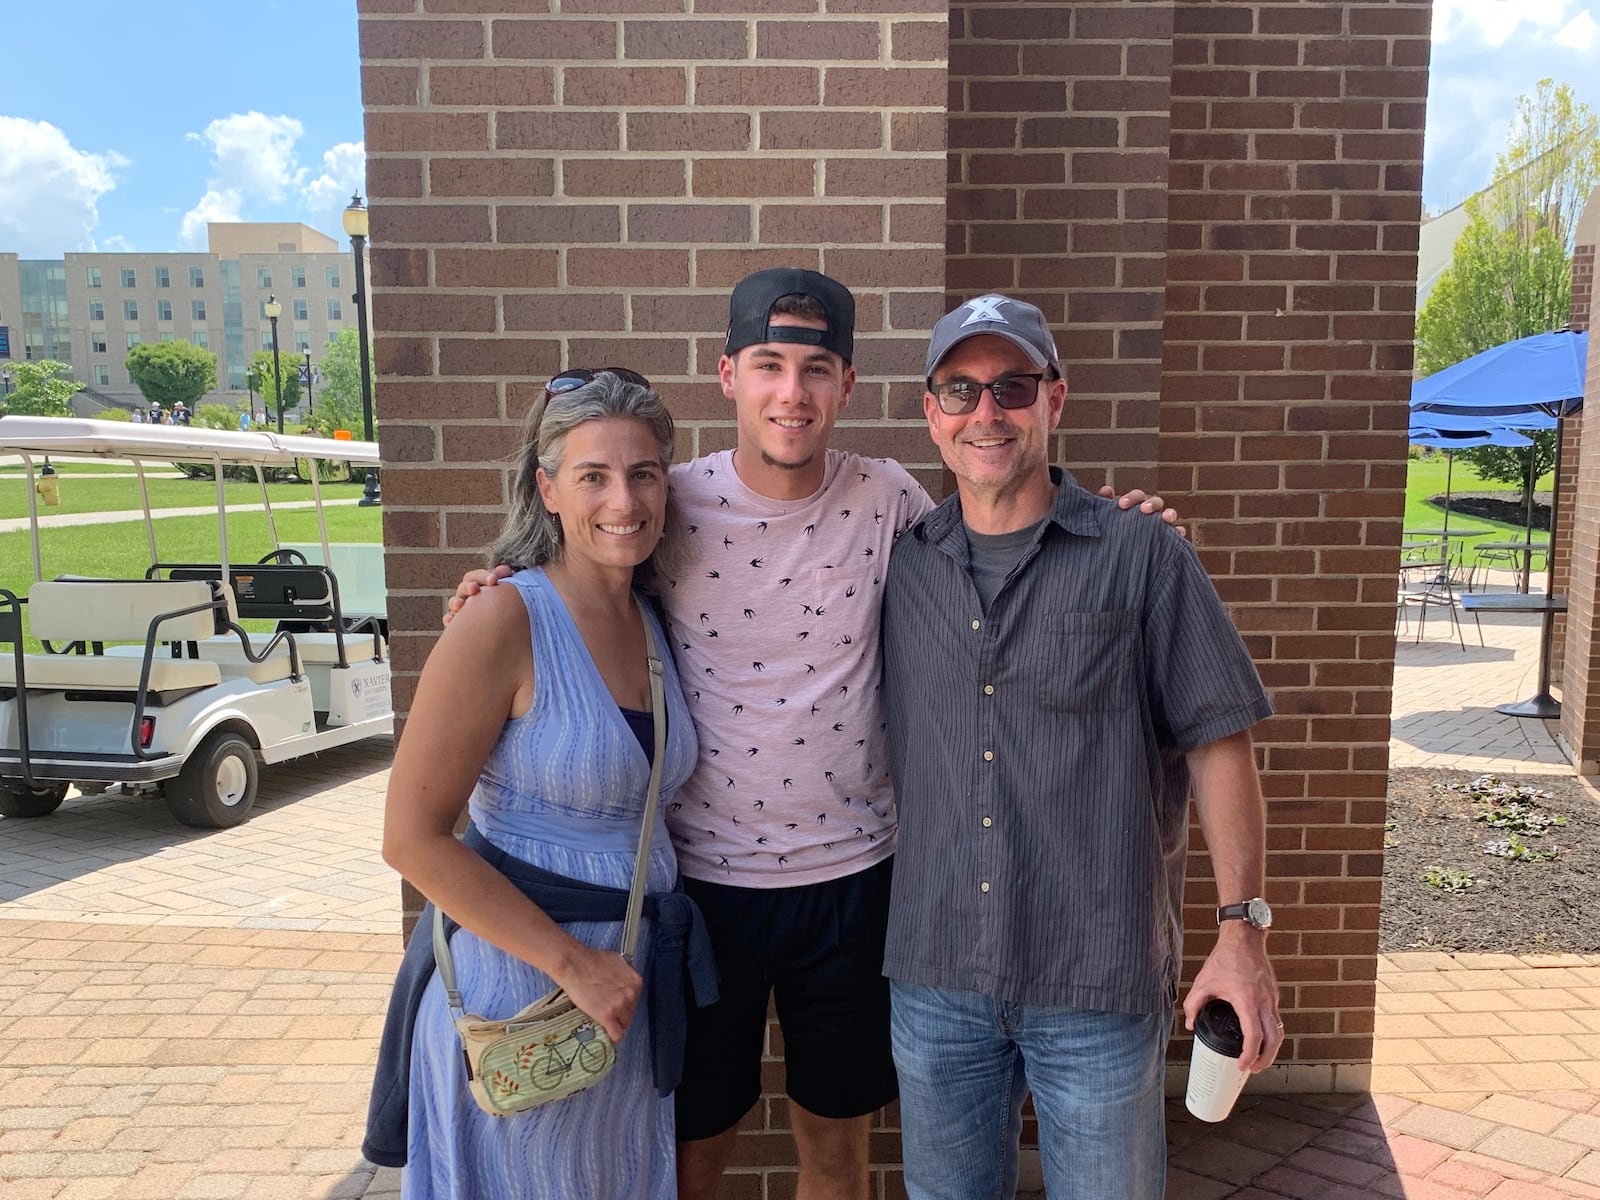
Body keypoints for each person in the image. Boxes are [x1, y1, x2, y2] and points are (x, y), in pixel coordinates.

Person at [449, 269, 1179, 1200]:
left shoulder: (892, 502)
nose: (791, 394)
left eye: (817, 368)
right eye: (769, 366)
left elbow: (1005, 529)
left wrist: (1124, 523)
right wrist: (494, 583)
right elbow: (580, 557)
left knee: (837, 1152)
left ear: (850, 387)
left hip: (854, 883)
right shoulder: (670, 501)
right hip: (705, 888)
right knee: (691, 1148)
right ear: (728, 376)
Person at [879, 294, 1281, 1200]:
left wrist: (1241, 934)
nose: (987, 413)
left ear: (1055, 400)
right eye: (961, 389)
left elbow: (1222, 742)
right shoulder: (901, 567)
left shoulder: (1142, 555)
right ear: (930, 412)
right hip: (937, 973)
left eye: (1012, 387)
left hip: (1095, 975)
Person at [366, 370, 714, 1198]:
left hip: (620, 994)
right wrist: (571, 963)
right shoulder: (501, 619)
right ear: (547, 489)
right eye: (592, 476)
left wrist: (601, 973)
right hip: (526, 998)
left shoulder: (654, 618)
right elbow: (410, 839)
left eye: (643, 474)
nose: (622, 499)